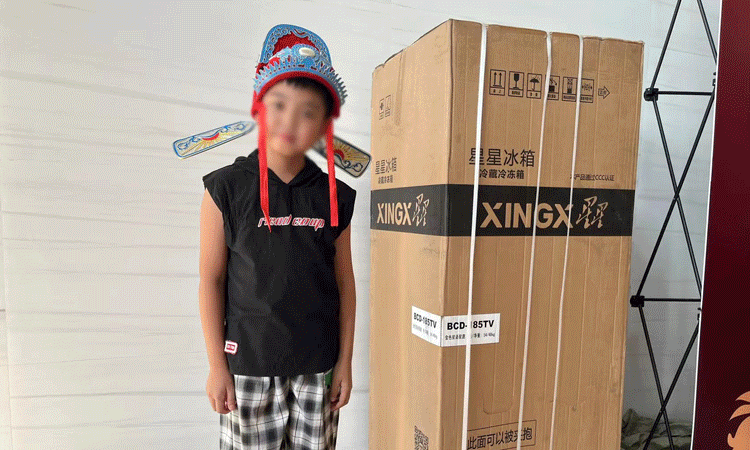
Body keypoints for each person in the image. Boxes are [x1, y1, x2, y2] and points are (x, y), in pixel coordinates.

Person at [198, 24, 357, 450]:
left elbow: (345, 282)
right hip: (248, 366)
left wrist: (344, 361)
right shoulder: (225, 189)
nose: (290, 121)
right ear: (260, 107)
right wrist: (217, 365)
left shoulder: (335, 196)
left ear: (323, 124)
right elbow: (211, 279)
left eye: (308, 112)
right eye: (280, 104)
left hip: (319, 367)